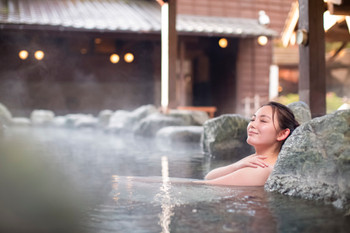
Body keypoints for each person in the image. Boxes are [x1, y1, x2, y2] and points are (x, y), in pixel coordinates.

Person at [196, 101, 299, 186]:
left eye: (263, 121)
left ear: (282, 134)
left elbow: (204, 187)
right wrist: (237, 165)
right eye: (252, 119)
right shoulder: (257, 161)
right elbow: (209, 176)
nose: (252, 125)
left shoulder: (261, 169)